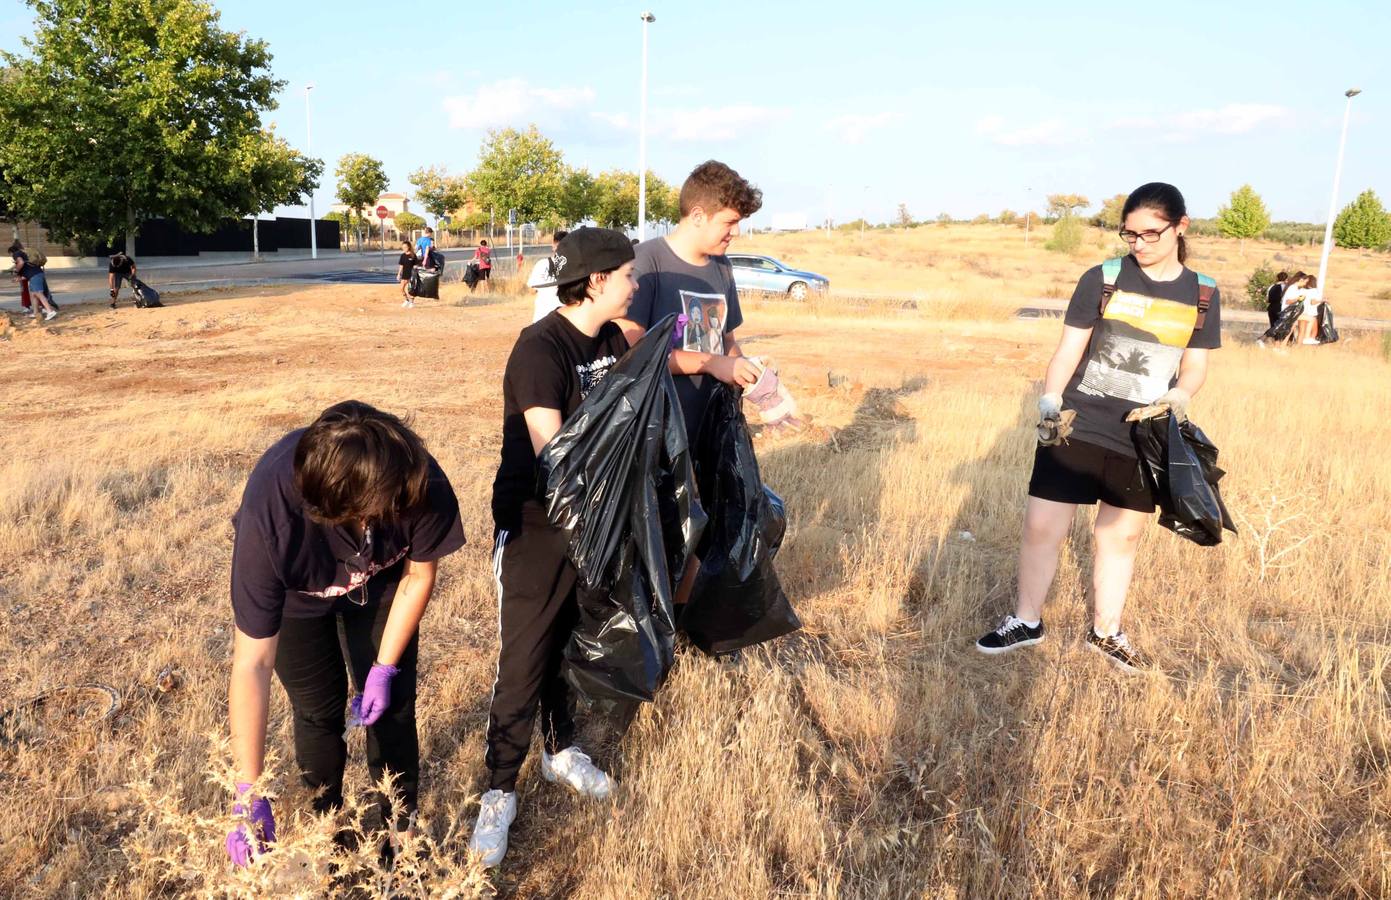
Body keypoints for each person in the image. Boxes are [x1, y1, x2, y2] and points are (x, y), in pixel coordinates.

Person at [974, 182, 1222, 672]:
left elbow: (1195, 364)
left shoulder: (1203, 293)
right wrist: (1050, 398)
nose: (1140, 245)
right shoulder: (1103, 277)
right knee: (1042, 526)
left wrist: (1181, 395)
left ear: (1181, 227)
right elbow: (1069, 348)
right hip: (1079, 423)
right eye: (1130, 234)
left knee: (1120, 536)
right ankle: (1026, 621)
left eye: (1151, 234)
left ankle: (1106, 632)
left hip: (1144, 433)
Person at [224, 401, 466, 866]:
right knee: (317, 711)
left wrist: (384, 667)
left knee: (392, 706)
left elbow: (418, 577)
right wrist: (247, 793)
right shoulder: (270, 518)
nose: (408, 503)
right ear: (346, 511)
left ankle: (400, 832)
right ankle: (328, 824)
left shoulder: (417, 476)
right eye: (390, 504)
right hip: (302, 598)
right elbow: (253, 662)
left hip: (380, 585)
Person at [469, 228, 637, 868]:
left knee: (569, 640)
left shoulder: (614, 338)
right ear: (595, 281)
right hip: (538, 522)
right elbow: (557, 452)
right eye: (627, 274)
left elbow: (648, 363)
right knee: (524, 657)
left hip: (593, 521)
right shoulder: (539, 349)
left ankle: (561, 748)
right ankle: (498, 789)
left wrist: (708, 359)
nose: (635, 284)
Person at [617, 159, 765, 609]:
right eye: (730, 222)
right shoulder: (647, 263)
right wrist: (711, 364)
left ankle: (682, 621)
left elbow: (728, 339)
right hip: (657, 429)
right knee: (659, 534)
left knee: (702, 527)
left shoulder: (721, 269)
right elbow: (632, 349)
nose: (734, 233)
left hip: (707, 428)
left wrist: (755, 382)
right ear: (698, 215)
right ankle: (655, 628)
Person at [527, 229, 568, 322]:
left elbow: (532, 290)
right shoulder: (574, 267)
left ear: (553, 245)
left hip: (541, 319)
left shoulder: (541, 264)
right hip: (565, 320)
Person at [9, 241, 57, 321]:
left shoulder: (16, 254)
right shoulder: (25, 256)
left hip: (35, 276)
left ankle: (50, 311)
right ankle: (35, 313)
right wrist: (18, 278)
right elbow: (27, 273)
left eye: (10, 254)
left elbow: (21, 263)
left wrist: (16, 271)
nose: (11, 257)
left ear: (12, 251)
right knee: (33, 294)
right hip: (37, 274)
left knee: (38, 293)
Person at [1294, 275, 1322, 345]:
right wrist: (1322, 301)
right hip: (1311, 313)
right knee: (1314, 331)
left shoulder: (1301, 290)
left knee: (1301, 332)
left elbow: (1299, 301)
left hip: (1302, 312)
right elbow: (1313, 302)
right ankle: (1306, 345)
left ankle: (1298, 346)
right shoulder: (1314, 291)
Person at [397, 241, 419, 308]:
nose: (404, 248)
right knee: (401, 288)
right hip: (404, 274)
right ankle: (406, 300)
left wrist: (415, 267)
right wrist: (398, 274)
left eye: (405, 247)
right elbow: (401, 265)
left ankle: (412, 302)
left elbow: (416, 264)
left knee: (411, 289)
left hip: (412, 274)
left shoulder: (413, 255)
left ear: (408, 247)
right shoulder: (402, 255)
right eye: (403, 247)